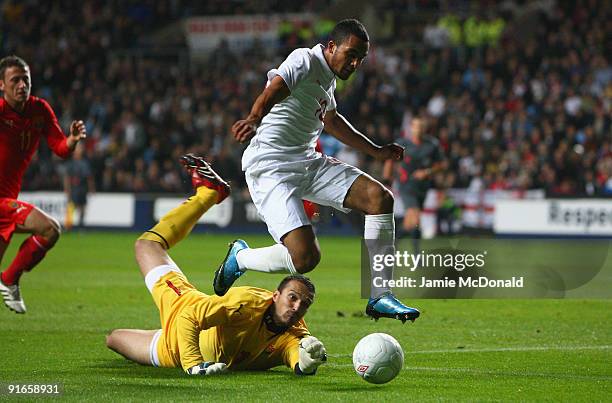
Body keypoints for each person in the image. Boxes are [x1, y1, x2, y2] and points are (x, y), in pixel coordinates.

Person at [221, 19, 420, 323]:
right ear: (330, 47)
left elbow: (332, 121)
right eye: (350, 54)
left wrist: (376, 151)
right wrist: (253, 117)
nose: (354, 64)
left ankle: (380, 295)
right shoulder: (305, 59)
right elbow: (276, 88)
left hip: (307, 161)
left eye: (360, 59)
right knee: (305, 259)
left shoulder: (327, 79)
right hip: (271, 165)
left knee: (380, 198)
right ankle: (241, 258)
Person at [106, 155, 327, 376]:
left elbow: (295, 354)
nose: (297, 307)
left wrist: (305, 363)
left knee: (113, 339)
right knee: (146, 245)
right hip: (183, 310)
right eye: (292, 297)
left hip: (171, 350)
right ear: (275, 295)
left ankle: (211, 198)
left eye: (304, 304)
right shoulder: (246, 304)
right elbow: (188, 316)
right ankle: (208, 194)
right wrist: (193, 364)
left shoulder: (293, 334)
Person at [0, 55, 86, 314]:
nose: (21, 85)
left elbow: (59, 148)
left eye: (25, 79)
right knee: (50, 228)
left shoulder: (40, 110)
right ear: (2, 85)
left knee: (50, 231)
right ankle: (9, 279)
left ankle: (9, 278)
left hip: (7, 196)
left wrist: (71, 140)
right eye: (14, 80)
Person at [383, 116, 444, 253]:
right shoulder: (402, 143)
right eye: (416, 126)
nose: (419, 129)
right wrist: (387, 180)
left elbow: (441, 165)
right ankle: (417, 255)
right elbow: (390, 160)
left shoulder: (432, 145)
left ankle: (391, 247)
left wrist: (427, 172)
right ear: (411, 128)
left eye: (421, 126)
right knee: (415, 218)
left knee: (410, 223)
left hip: (422, 187)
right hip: (406, 186)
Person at [62, 142, 95, 231]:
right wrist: (67, 189)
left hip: (83, 188)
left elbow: (89, 177)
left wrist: (91, 188)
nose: (79, 150)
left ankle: (81, 225)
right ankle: (68, 225)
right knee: (71, 206)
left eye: (80, 148)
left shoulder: (85, 163)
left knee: (82, 207)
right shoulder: (70, 163)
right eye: (78, 148)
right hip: (74, 188)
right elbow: (67, 178)